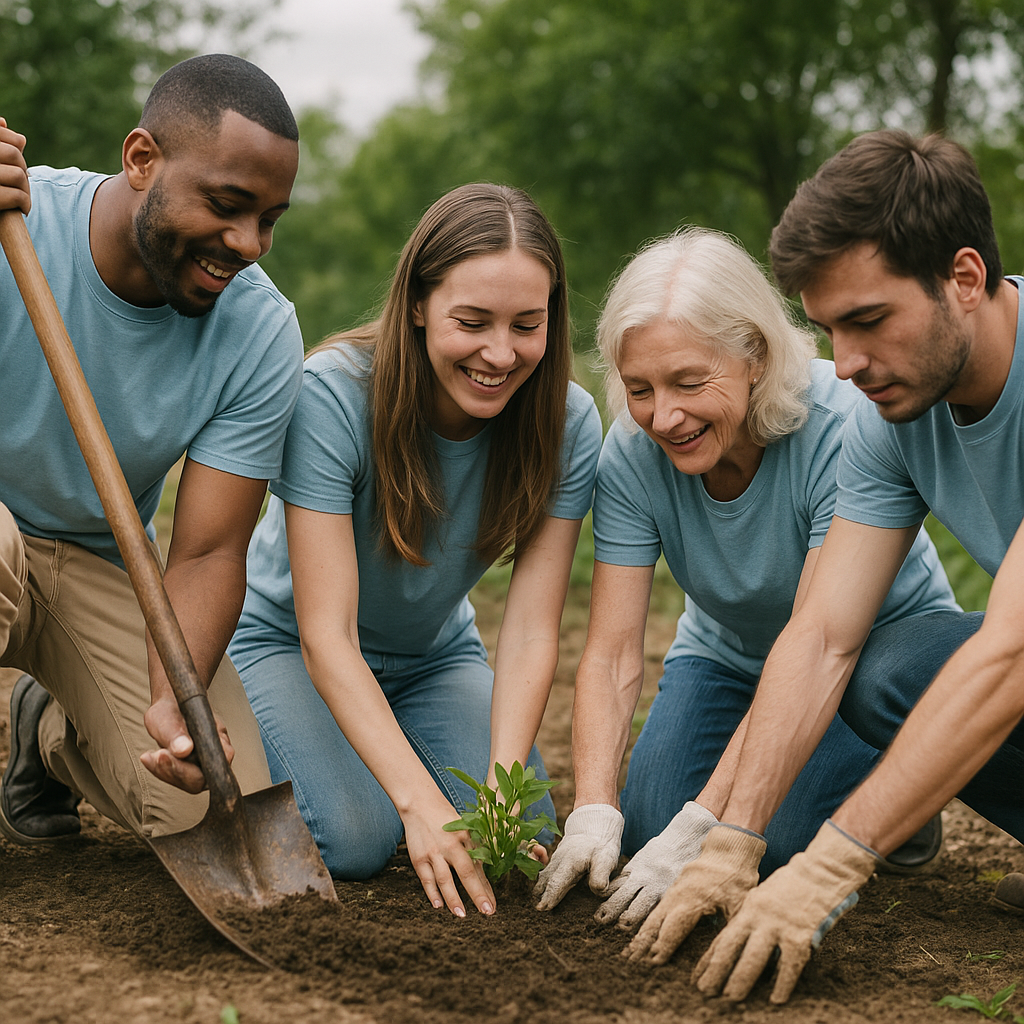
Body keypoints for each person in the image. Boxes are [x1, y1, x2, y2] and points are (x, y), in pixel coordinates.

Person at [626, 130, 1024, 1004]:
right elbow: (822, 635)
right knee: (888, 670)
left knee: (942, 662)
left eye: (870, 320)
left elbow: (1012, 651)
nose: (843, 364)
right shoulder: (892, 417)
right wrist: (733, 839)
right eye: (830, 329)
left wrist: (829, 866)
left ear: (963, 278)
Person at [533, 227, 964, 924]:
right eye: (640, 387)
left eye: (689, 381)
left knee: (770, 845)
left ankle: (901, 804)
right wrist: (591, 806)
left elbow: (818, 637)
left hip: (860, 663)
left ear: (755, 356)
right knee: (646, 832)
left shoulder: (839, 426)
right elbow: (612, 651)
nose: (664, 416)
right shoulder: (632, 451)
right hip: (728, 653)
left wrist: (711, 823)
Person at [227, 182, 602, 919]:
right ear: (420, 304)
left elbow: (528, 631)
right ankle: (69, 726)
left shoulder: (567, 421)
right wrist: (417, 800)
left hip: (432, 656)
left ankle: (387, 750)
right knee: (358, 839)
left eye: (528, 324)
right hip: (281, 642)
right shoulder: (333, 396)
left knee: (517, 832)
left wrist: (496, 788)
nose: (501, 353)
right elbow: (325, 635)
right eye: (473, 321)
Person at [0, 54, 303, 845]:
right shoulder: (15, 225)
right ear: (142, 160)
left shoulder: (261, 331)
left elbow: (206, 552)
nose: (249, 243)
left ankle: (48, 735)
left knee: (197, 802)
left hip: (95, 563)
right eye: (228, 205)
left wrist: (178, 693)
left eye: (269, 218)